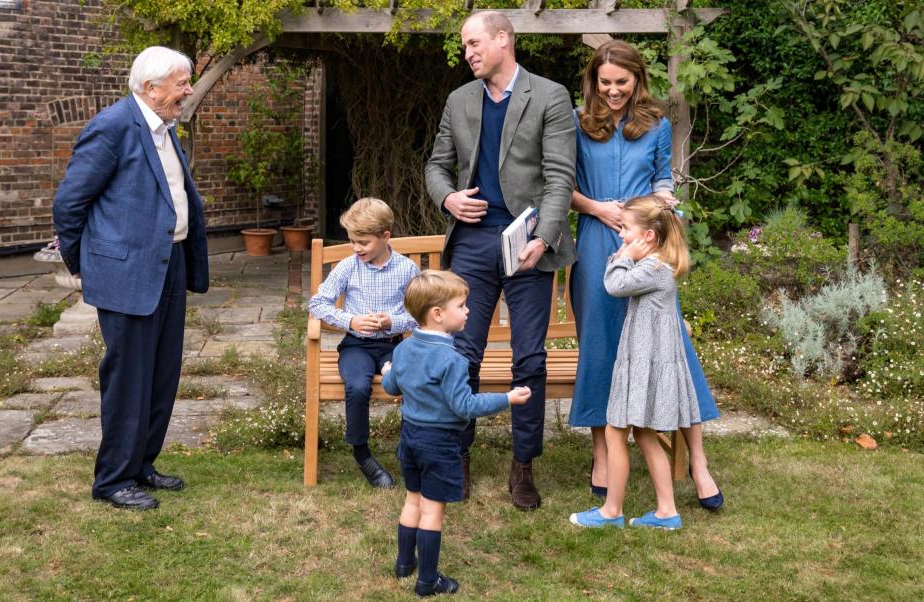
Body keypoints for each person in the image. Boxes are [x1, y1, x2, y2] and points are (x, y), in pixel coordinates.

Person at [424, 10, 576, 510]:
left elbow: (559, 178)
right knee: (461, 355)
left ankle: (523, 465)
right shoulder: (458, 100)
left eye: (473, 43)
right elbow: (435, 165)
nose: (467, 53)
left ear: (503, 40)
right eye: (465, 46)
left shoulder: (550, 96)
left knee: (529, 358)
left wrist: (546, 237)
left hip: (528, 245)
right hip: (471, 244)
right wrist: (448, 199)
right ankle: (458, 456)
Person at [568, 39, 723, 511]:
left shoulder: (655, 124)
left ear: (637, 80)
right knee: (601, 343)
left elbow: (662, 176)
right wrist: (598, 208)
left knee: (670, 343)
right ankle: (601, 453)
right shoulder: (577, 123)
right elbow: (562, 185)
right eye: (605, 82)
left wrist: (661, 201)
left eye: (622, 82)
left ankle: (697, 462)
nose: (613, 91)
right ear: (594, 80)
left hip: (647, 243)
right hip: (597, 240)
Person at [52, 46, 209, 510]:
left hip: (169, 264)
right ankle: (113, 480)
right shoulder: (113, 126)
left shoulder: (164, 128)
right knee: (128, 379)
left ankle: (142, 465)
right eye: (181, 83)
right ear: (150, 87)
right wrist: (84, 264)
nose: (187, 90)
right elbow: (70, 204)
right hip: (127, 273)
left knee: (162, 374)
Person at [381, 270, 531, 596]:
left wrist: (387, 370)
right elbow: (464, 406)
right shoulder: (453, 360)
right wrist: (507, 398)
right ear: (438, 315)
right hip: (439, 444)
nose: (467, 312)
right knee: (432, 511)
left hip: (410, 439)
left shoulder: (404, 349)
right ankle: (428, 581)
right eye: (462, 306)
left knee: (412, 501)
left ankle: (404, 564)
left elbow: (392, 386)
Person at [570, 195, 700, 529]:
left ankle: (611, 511)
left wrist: (624, 254)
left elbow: (613, 285)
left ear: (649, 237)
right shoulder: (657, 265)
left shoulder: (653, 268)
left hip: (644, 365)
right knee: (643, 434)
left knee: (615, 432)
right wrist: (627, 252)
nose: (622, 235)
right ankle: (667, 511)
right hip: (643, 361)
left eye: (627, 229)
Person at [307, 197, 420, 488]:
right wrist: (350, 321)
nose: (356, 248)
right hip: (356, 346)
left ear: (385, 236)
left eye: (363, 242)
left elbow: (420, 313)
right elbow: (317, 303)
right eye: (352, 241)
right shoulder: (348, 267)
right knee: (357, 386)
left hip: (394, 345)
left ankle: (407, 449)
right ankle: (362, 454)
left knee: (412, 382)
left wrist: (392, 322)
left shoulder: (406, 270)